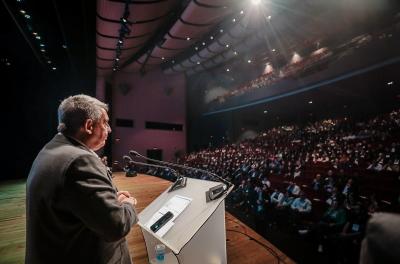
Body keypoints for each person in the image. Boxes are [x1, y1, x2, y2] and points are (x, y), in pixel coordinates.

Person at [26, 94, 138, 264]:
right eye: (105, 122)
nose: (109, 129)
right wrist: (127, 205)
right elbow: (116, 226)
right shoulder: (79, 161)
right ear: (88, 125)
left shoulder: (51, 149)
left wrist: (108, 203)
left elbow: (75, 205)